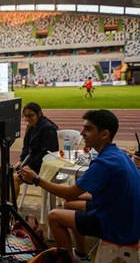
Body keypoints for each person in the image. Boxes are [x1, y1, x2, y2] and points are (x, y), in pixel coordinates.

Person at [19, 109, 140, 262]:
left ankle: (65, 259)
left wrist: (37, 180)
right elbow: (105, 192)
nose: (82, 133)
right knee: (70, 205)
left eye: (88, 129)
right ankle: (82, 255)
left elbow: (69, 193)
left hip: (115, 226)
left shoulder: (103, 163)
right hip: (127, 218)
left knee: (54, 216)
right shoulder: (119, 154)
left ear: (104, 134)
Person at [13, 102, 59, 198]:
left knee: (14, 179)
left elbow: (47, 153)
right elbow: (26, 146)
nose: (28, 119)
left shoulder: (48, 129)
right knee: (7, 174)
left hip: (45, 165)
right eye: (25, 116)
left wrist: (29, 166)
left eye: (30, 115)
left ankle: (11, 209)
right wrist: (21, 160)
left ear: (39, 113)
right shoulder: (31, 126)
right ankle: (9, 206)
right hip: (34, 162)